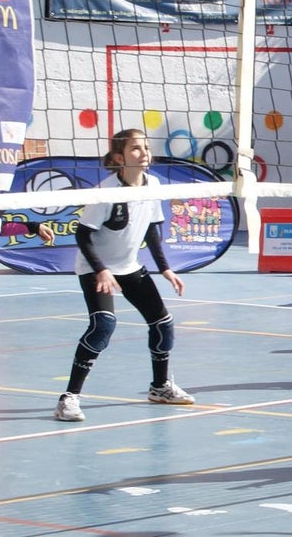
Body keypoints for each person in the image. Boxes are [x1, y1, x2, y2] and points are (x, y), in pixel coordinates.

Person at [54, 128, 196, 422]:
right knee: (103, 326)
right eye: (135, 149)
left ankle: (160, 387)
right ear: (119, 158)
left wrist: (165, 268)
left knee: (163, 324)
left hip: (129, 265)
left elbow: (153, 229)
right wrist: (102, 270)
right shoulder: (107, 192)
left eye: (145, 147)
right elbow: (82, 235)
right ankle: (69, 398)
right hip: (96, 268)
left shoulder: (153, 183)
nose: (144, 153)